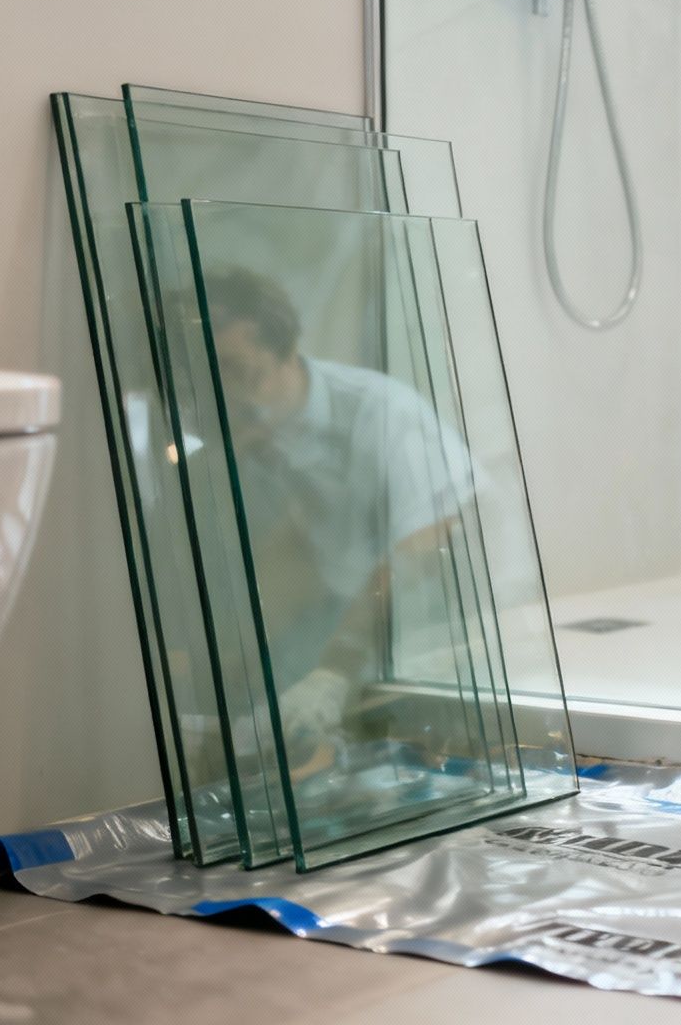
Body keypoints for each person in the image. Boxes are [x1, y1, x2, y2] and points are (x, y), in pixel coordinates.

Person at [197, 266, 480, 752]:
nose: (228, 393)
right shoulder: (252, 439)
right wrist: (224, 669)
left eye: (240, 371)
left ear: (285, 350)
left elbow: (423, 547)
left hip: (447, 628)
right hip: (353, 620)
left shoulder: (380, 412)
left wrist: (332, 672)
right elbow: (293, 558)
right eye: (211, 375)